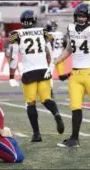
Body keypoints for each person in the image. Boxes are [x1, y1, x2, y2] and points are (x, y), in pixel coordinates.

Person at [46, 3, 90, 147]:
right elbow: (68, 49)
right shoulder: (71, 28)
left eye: (83, 16)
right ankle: (74, 139)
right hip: (75, 74)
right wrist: (54, 63)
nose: (81, 18)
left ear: (89, 16)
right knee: (75, 106)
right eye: (78, 16)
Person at [8, 10, 65, 142]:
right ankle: (56, 113)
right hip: (43, 69)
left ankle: (37, 134)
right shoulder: (43, 31)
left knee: (30, 103)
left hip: (29, 71)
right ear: (34, 20)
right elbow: (49, 52)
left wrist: (11, 76)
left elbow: (14, 57)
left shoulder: (15, 34)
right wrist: (50, 66)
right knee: (46, 99)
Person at [45, 20, 70, 98]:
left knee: (49, 76)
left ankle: (50, 91)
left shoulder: (48, 34)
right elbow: (65, 44)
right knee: (62, 76)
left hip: (52, 57)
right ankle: (72, 75)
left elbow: (47, 45)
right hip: (61, 56)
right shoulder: (61, 34)